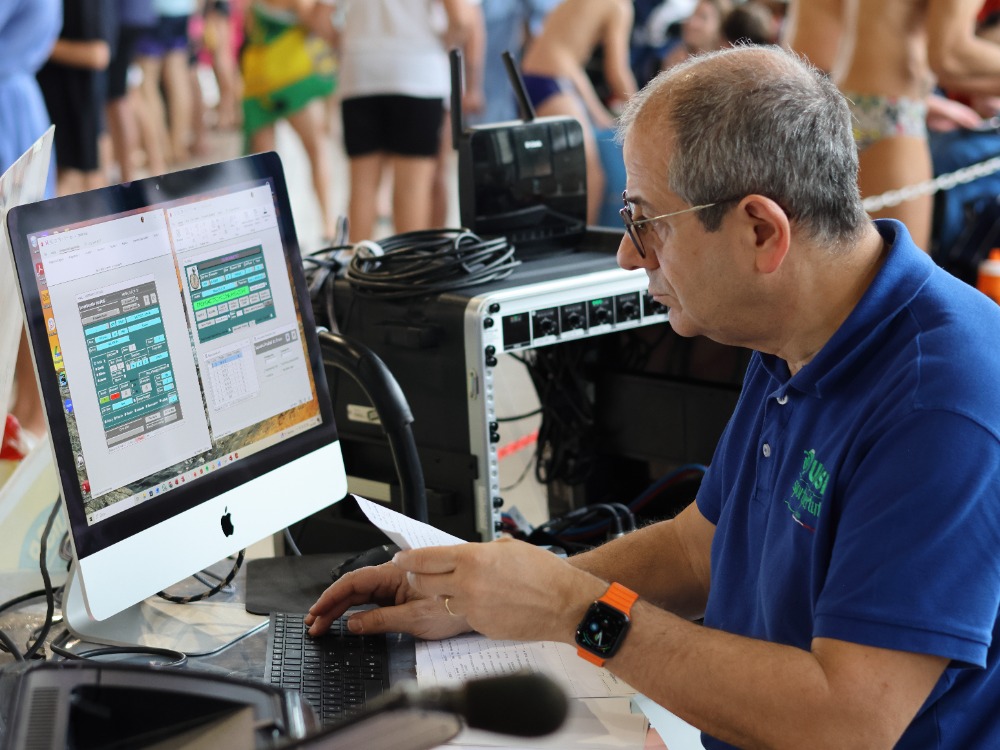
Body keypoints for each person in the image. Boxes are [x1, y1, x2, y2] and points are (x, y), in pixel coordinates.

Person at [306, 46, 1000, 749]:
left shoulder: (939, 407)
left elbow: (846, 723)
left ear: (761, 231)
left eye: (647, 221)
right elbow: (702, 551)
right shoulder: (798, 330)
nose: (629, 254)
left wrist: (575, 609)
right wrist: (495, 596)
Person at [785, 0, 1000, 251]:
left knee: (831, 261)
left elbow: (819, 40)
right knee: (901, 267)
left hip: (839, 102)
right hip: (892, 113)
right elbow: (950, 54)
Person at [337, 0, 478, 242]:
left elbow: (320, 17)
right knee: (412, 189)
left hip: (359, 72)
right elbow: (462, 19)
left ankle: (356, 262)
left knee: (362, 187)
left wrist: (349, 42)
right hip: (417, 72)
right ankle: (407, 264)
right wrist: (443, 41)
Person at [518, 0, 637, 224]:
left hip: (530, 77)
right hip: (553, 82)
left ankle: (548, 234)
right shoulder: (619, 7)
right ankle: (583, 240)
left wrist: (596, 110)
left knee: (545, 174)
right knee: (591, 177)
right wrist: (644, 111)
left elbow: (563, 53)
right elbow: (616, 71)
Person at [240, 0, 338, 242]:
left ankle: (271, 232)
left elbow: (249, 28)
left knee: (264, 167)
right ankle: (328, 223)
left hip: (258, 83)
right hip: (291, 81)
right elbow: (319, 25)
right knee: (316, 150)